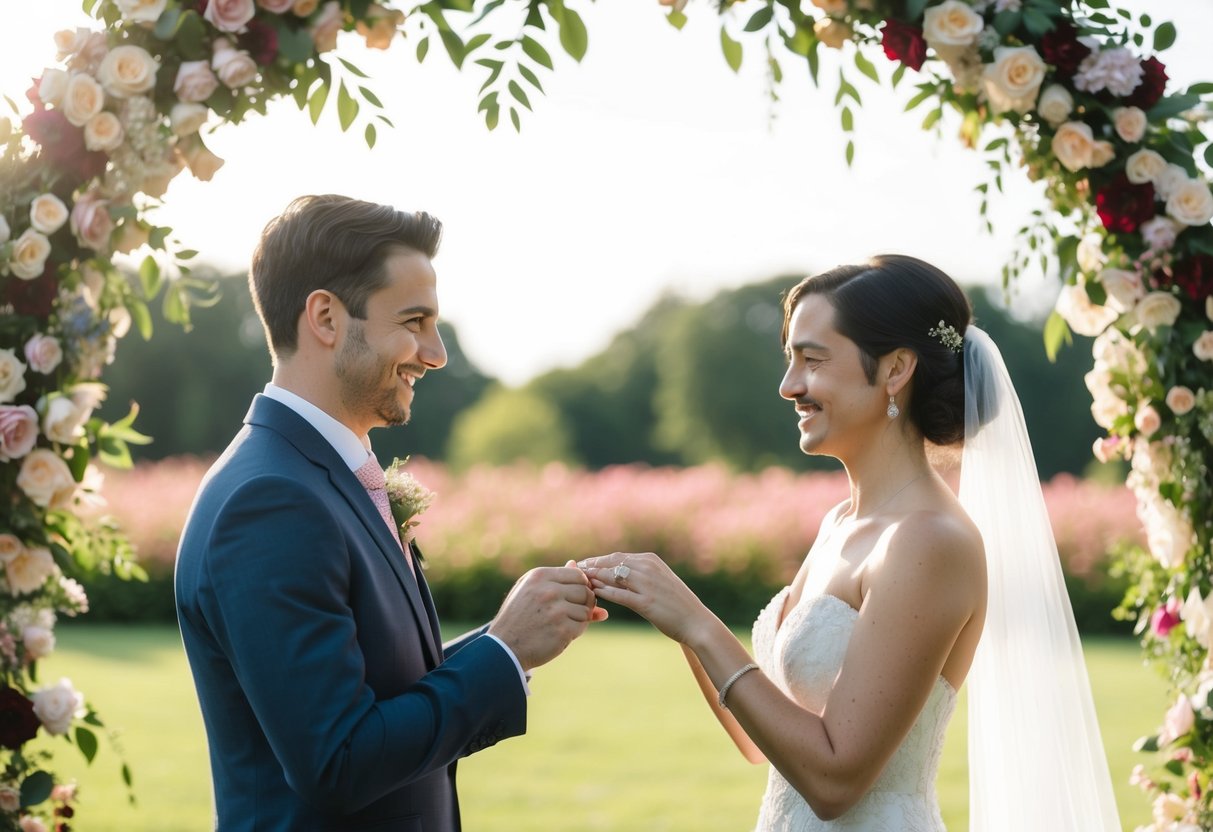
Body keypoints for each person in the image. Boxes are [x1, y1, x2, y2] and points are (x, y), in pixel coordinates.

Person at [580, 255, 1121, 831]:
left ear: (895, 369)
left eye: (812, 360)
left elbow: (835, 781)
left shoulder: (930, 541)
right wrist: (674, 613)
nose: (789, 386)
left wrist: (698, 624)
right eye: (791, 360)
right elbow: (762, 743)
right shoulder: (839, 522)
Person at [175, 194, 605, 831]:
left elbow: (376, 692)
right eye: (413, 321)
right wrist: (505, 654)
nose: (436, 352)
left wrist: (509, 635)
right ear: (325, 317)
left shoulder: (316, 477)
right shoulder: (270, 501)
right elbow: (338, 761)